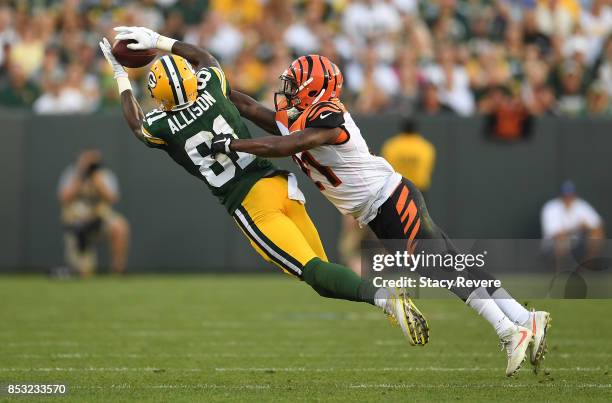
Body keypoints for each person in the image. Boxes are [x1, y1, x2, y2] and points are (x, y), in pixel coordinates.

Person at [211, 54, 551, 377]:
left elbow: (283, 146)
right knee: (452, 263)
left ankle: (508, 331)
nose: (287, 92)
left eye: (295, 85)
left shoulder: (329, 116)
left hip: (389, 201)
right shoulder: (303, 116)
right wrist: (209, 85)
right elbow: (250, 107)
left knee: (442, 268)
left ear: (314, 89)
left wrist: (232, 145)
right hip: (382, 205)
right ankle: (525, 318)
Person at [98, 26, 429, 346]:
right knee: (325, 268)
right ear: (190, 78)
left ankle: (387, 300)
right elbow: (205, 58)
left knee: (315, 274)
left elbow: (137, 122)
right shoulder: (212, 85)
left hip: (251, 205)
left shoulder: (162, 125)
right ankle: (385, 297)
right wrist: (158, 40)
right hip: (279, 185)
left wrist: (121, 75)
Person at [58, 149, 130, 276]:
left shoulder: (104, 175)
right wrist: (80, 177)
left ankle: (118, 268)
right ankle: (80, 266)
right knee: (83, 271)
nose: (89, 167)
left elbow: (112, 198)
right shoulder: (72, 174)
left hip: (99, 219)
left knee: (119, 226)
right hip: (77, 223)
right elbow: (64, 198)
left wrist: (97, 181)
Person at [541, 180, 605, 268]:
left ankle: (589, 268)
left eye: (570, 194)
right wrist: (577, 228)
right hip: (552, 246)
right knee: (562, 241)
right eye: (566, 195)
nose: (568, 198)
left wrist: (587, 228)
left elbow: (597, 226)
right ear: (561, 195)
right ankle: (560, 273)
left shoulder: (581, 205)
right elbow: (556, 235)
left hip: (578, 242)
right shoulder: (551, 207)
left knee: (596, 234)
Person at [381, 117, 436, 201]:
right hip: (419, 191)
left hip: (396, 190)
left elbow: (385, 169)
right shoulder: (426, 147)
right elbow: (427, 169)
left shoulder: (391, 146)